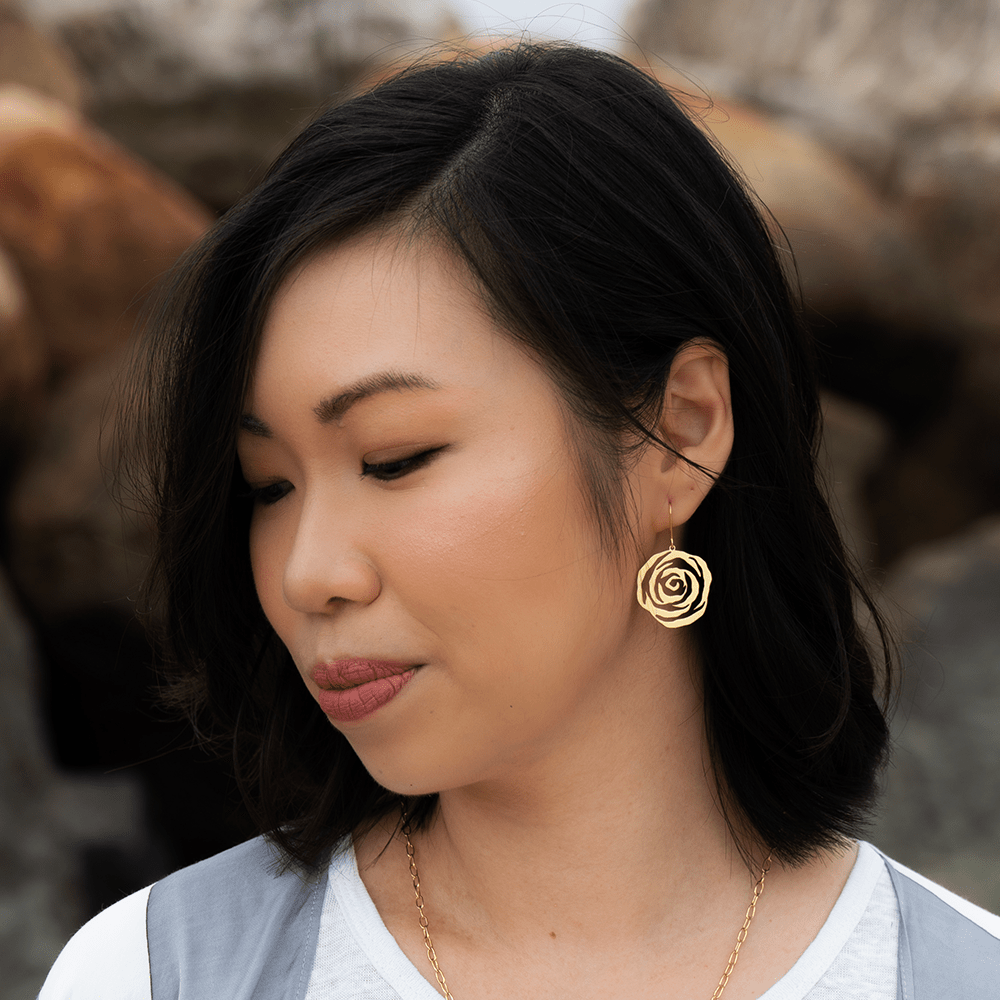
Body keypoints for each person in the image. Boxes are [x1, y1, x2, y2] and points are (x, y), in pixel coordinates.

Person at [39, 41, 999, 1000]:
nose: (308, 573)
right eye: (268, 487)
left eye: (394, 458)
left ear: (678, 434)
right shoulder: (156, 973)